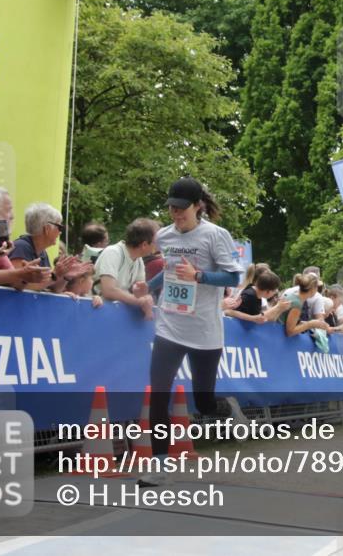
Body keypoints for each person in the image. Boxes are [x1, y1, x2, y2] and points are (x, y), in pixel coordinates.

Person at [142, 177, 246, 487]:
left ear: (198, 205)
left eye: (181, 208)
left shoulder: (215, 236)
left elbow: (232, 275)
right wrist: (146, 289)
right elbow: (169, 271)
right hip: (170, 325)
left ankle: (227, 406)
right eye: (171, 208)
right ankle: (158, 466)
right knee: (158, 394)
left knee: (203, 403)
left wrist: (198, 275)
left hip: (204, 329)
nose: (175, 214)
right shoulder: (164, 236)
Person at [93, 218, 157, 319]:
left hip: (112, 315)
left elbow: (140, 293)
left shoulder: (139, 260)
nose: (157, 246)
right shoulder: (113, 252)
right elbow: (109, 291)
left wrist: (146, 298)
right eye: (155, 242)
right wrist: (139, 302)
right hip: (95, 312)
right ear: (144, 244)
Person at [9, 202, 77, 292]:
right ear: (47, 229)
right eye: (59, 227)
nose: (60, 232)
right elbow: (19, 285)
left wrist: (65, 276)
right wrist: (55, 274)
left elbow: (53, 288)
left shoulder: (42, 253)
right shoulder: (21, 247)